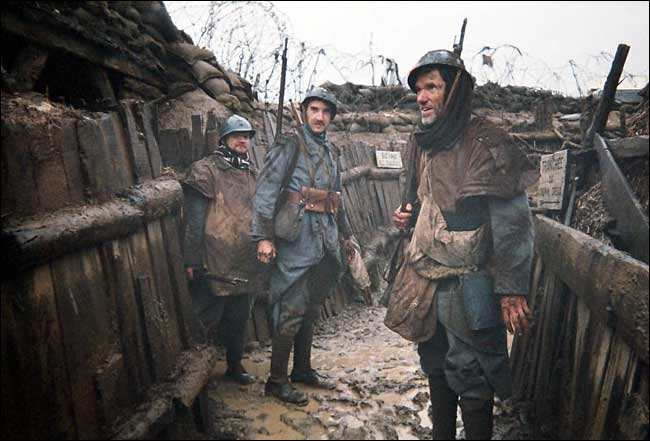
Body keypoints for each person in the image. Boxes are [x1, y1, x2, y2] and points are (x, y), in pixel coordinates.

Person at [388, 49, 537, 439]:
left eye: (432, 87)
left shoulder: (487, 142)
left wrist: (511, 290)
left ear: (455, 91)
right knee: (434, 362)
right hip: (425, 276)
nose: (421, 97)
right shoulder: (422, 142)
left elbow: (513, 223)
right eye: (418, 90)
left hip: (470, 280)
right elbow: (419, 198)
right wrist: (408, 215)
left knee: (471, 372)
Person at [252, 87, 354, 406]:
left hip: (325, 240)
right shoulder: (290, 143)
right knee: (291, 308)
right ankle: (276, 381)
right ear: (306, 112)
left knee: (311, 307)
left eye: (325, 112)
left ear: (331, 117)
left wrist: (346, 235)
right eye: (314, 110)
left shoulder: (331, 151)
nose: (319, 117)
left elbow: (336, 197)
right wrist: (264, 236)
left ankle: (302, 370)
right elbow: (266, 191)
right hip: (296, 238)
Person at [183, 114, 263, 385]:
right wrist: (192, 260)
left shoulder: (252, 173)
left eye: (246, 136)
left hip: (245, 258)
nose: (242, 140)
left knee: (239, 318)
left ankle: (234, 365)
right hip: (214, 260)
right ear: (224, 139)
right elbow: (194, 222)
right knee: (205, 317)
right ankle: (194, 375)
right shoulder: (205, 171)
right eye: (236, 135)